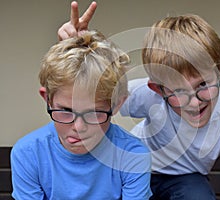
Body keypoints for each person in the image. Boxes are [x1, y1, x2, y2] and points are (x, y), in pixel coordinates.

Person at [58, 2, 220, 199]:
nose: (195, 103)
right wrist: (75, 53)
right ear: (158, 90)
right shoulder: (147, 95)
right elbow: (91, 100)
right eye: (178, 91)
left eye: (203, 85)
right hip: (133, 169)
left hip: (185, 181)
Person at [10, 30, 152, 200]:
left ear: (117, 105)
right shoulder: (28, 153)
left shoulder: (133, 155)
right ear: (47, 100)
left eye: (93, 113)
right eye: (65, 111)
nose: (78, 127)